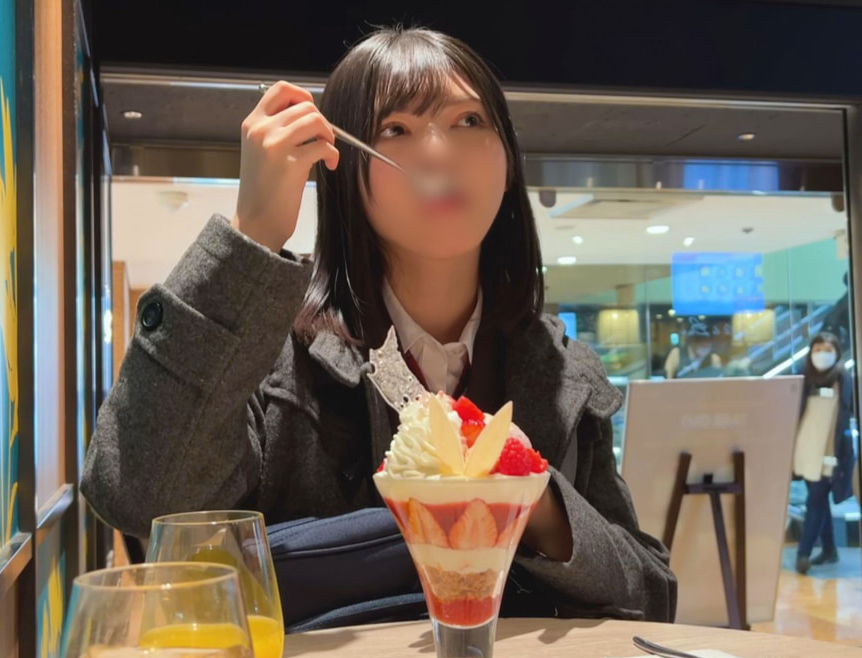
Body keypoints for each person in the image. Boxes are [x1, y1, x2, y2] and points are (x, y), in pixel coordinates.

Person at [82, 27, 675, 622]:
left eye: (469, 121)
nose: (439, 152)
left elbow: (652, 595)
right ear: (343, 167)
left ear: (507, 162)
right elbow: (139, 495)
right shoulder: (270, 353)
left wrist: (535, 501)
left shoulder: (560, 370)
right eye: (396, 129)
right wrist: (251, 234)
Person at [794, 331, 856, 574]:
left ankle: (803, 553)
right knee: (818, 499)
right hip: (805, 448)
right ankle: (829, 549)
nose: (822, 354)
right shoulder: (802, 378)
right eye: (818, 349)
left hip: (830, 451)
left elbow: (845, 416)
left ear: (837, 353)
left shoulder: (843, 379)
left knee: (815, 500)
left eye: (828, 350)